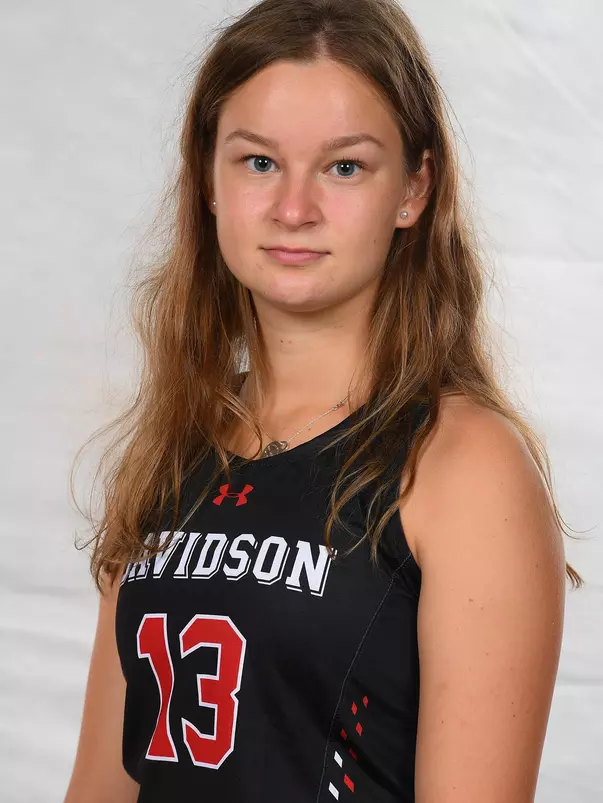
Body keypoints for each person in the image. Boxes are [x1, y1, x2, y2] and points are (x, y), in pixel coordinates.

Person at [64, 1, 584, 801]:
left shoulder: (460, 466)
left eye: (344, 166)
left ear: (413, 189)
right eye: (258, 162)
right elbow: (101, 788)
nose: (293, 209)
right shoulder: (172, 449)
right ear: (207, 178)